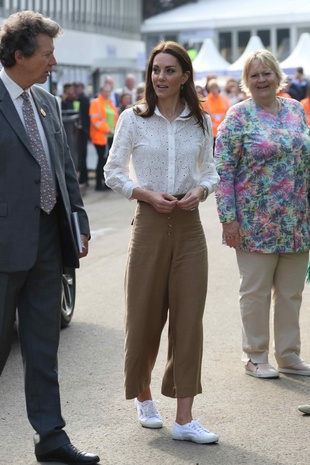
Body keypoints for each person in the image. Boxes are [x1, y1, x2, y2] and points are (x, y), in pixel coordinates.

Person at [104, 40, 220, 444]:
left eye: (170, 70)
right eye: (156, 70)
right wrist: (146, 194)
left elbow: (212, 171)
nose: (161, 77)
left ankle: (185, 418)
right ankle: (143, 396)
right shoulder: (132, 119)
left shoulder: (200, 121)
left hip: (190, 227)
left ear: (185, 76)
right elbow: (112, 171)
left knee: (189, 322)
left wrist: (201, 192)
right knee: (144, 316)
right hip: (150, 223)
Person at [0, 10, 100, 465]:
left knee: (43, 347)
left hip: (46, 242)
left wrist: (76, 220)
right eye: (46, 53)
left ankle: (51, 439)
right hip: (3, 247)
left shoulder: (47, 102)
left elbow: (63, 171)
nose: (54, 61)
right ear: (19, 55)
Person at [214, 49, 310, 379]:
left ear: (277, 75)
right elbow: (223, 170)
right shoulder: (238, 116)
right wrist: (229, 218)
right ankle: (255, 356)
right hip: (256, 223)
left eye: (266, 72)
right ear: (246, 81)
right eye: (254, 74)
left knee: (291, 293)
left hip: (297, 220)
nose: (261, 79)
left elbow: (305, 162)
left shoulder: (296, 110)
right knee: (255, 292)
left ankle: (288, 355)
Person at [89, 82, 118, 191]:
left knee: (107, 161)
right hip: (100, 136)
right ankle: (98, 184)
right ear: (101, 92)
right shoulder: (96, 103)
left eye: (108, 91)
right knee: (101, 160)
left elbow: (115, 117)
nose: (107, 93)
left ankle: (106, 183)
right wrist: (108, 129)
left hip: (110, 135)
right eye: (105, 91)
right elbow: (95, 120)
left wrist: (115, 129)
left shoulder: (109, 103)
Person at [74, 82, 90, 189]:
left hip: (82, 131)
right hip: (82, 131)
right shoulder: (81, 98)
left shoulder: (82, 99)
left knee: (82, 156)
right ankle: (84, 177)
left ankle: (84, 178)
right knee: (82, 156)